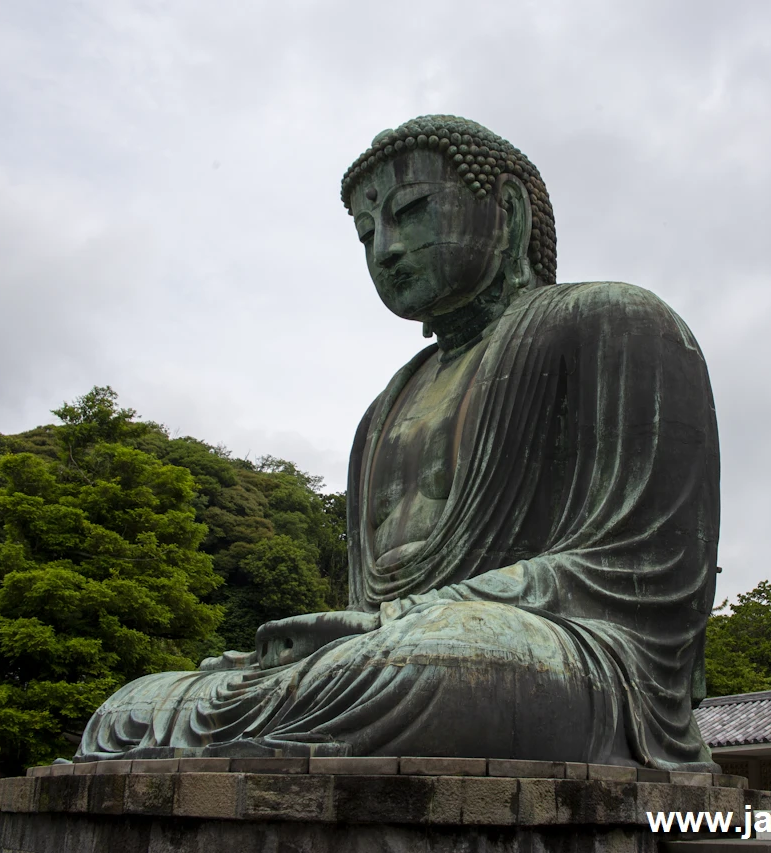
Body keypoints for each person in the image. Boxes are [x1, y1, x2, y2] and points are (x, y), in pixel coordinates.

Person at [75, 115, 722, 770]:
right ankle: (282, 711)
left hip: (570, 664)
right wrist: (333, 643)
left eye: (411, 211)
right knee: (135, 706)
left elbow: (644, 575)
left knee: (433, 662)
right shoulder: (383, 410)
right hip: (392, 653)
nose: (385, 247)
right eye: (366, 233)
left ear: (509, 212)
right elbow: (367, 610)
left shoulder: (615, 322)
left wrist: (416, 617)